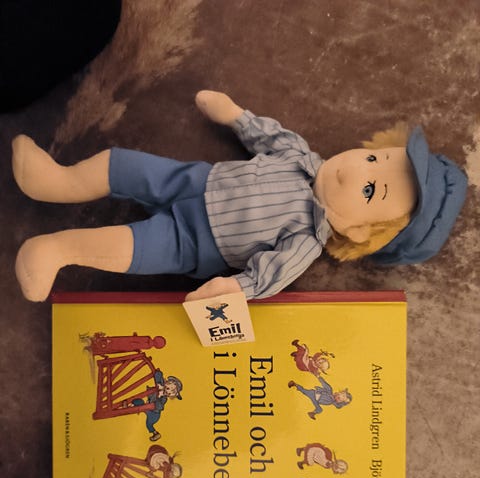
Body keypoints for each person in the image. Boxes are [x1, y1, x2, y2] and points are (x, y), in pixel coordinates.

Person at [12, 90, 468, 302]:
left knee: (130, 246)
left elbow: (267, 276)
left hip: (194, 243)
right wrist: (234, 114)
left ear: (359, 232)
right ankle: (57, 181)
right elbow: (268, 137)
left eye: (370, 189)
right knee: (127, 165)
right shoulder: (301, 156)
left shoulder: (306, 240)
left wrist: (231, 289)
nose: (354, 168)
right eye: (371, 158)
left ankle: (57, 250)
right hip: (192, 180)